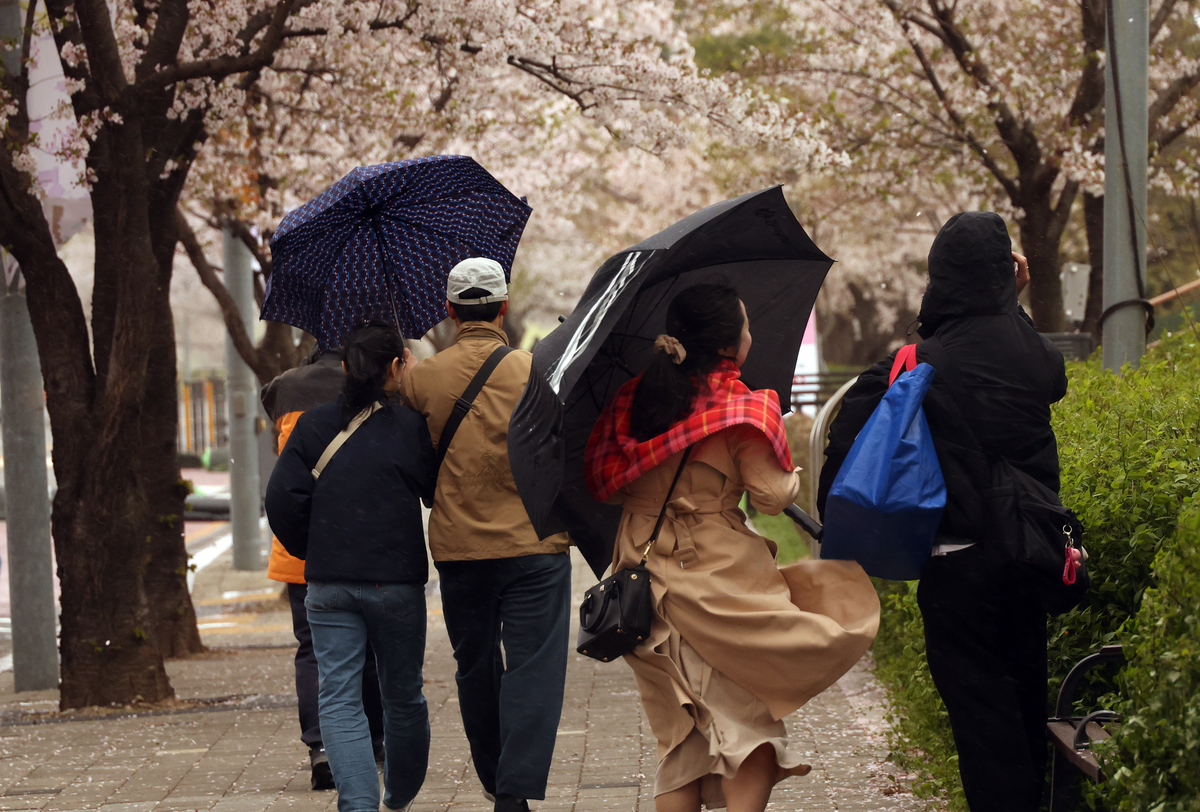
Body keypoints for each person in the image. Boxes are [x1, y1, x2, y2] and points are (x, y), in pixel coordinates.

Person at [584, 281, 880, 812]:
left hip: (641, 580)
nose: (750, 333)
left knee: (680, 741)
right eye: (745, 325)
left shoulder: (633, 399)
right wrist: (785, 463)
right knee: (752, 735)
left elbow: (610, 481)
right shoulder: (740, 409)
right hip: (716, 585)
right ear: (728, 344)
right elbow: (770, 497)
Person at [817, 212, 1068, 812]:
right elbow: (1034, 360)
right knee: (1030, 707)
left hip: (960, 570)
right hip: (1033, 553)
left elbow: (846, 448)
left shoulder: (920, 363)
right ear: (1004, 275)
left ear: (939, 277)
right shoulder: (1034, 355)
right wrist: (1015, 303)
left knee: (985, 726)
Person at [400, 258, 572, 812]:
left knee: (474, 664)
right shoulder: (536, 368)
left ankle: (497, 778)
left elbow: (412, 460)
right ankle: (516, 792)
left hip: (459, 548)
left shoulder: (419, 378)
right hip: (535, 544)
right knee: (534, 667)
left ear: (449, 312)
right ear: (502, 308)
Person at [266, 321, 437, 812]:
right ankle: (399, 793)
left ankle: (358, 805)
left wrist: (314, 548)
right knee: (403, 694)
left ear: (344, 368)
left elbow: (281, 498)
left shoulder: (313, 425)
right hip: (396, 583)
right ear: (396, 367)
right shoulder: (410, 427)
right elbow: (430, 490)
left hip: (330, 583)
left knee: (338, 696)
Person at [260, 345, 386, 790]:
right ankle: (372, 739)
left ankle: (321, 746)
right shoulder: (375, 387)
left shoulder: (284, 388)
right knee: (369, 644)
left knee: (313, 649)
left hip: (301, 547)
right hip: (362, 539)